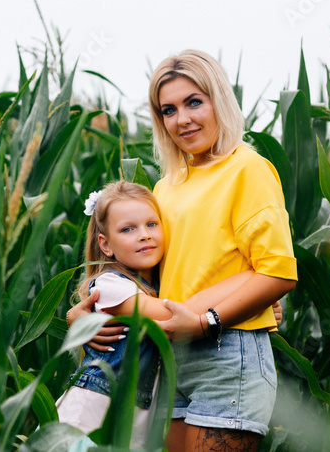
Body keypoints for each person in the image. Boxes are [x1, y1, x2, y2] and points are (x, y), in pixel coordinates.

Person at [68, 50, 297, 452]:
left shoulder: (247, 168)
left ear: (218, 100)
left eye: (194, 102)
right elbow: (157, 278)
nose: (183, 119)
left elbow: (277, 272)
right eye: (168, 110)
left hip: (228, 353)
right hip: (170, 362)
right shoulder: (166, 187)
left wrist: (209, 320)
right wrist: (85, 312)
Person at [57, 180, 255, 445]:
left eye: (152, 224)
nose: (144, 235)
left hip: (133, 424)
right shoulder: (110, 286)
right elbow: (179, 312)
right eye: (128, 229)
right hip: (89, 418)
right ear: (105, 245)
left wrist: (255, 304)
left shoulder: (158, 288)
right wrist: (254, 279)